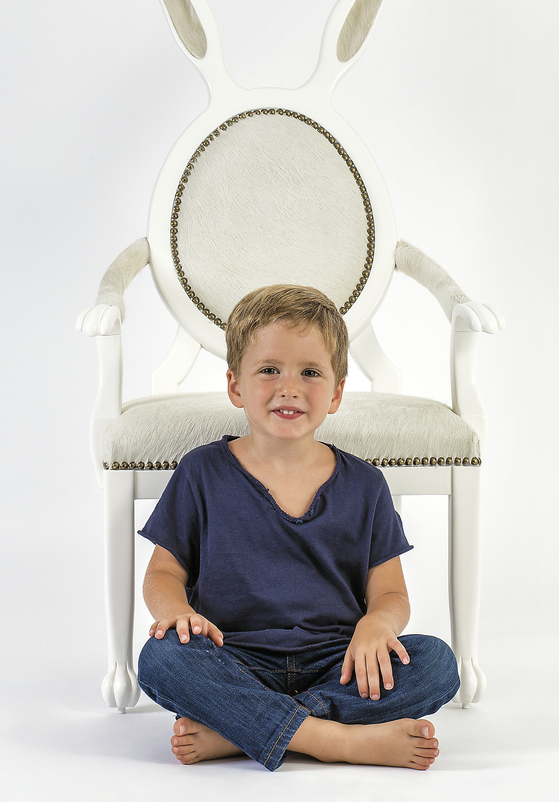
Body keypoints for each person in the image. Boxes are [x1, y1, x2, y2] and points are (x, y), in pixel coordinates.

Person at [137, 285, 459, 771]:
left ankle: (243, 729)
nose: (289, 387)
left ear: (336, 393)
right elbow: (163, 573)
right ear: (235, 386)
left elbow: (391, 593)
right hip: (235, 661)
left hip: (339, 664)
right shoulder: (201, 472)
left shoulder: (366, 484)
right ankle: (335, 740)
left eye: (310, 372)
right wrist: (177, 613)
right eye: (269, 370)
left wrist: (377, 624)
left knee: (436, 662)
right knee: (162, 657)